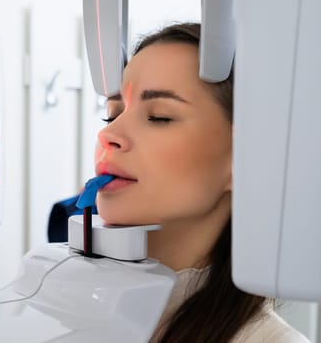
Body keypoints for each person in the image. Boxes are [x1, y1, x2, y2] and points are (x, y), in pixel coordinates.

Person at [94, 23, 310, 342]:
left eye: (159, 116)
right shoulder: (74, 310)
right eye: (112, 115)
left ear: (246, 160)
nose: (107, 135)